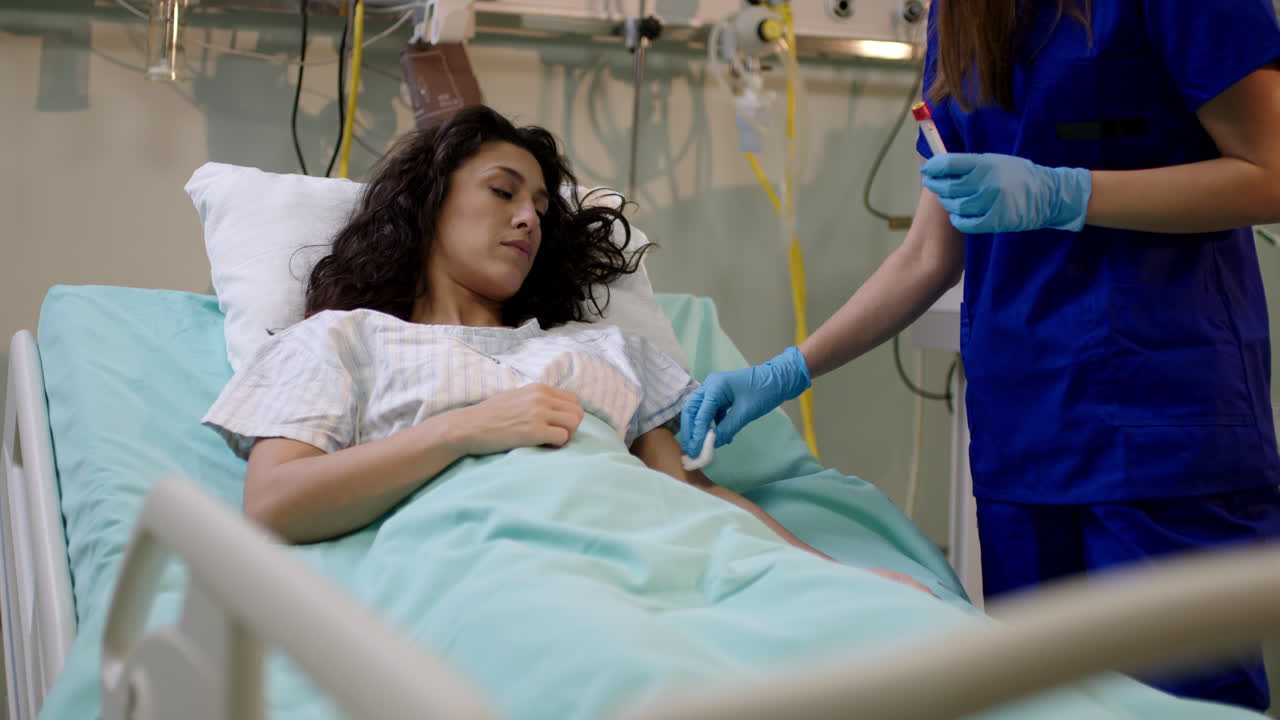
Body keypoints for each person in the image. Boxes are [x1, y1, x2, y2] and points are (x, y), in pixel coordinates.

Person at [679, 0, 1280, 710]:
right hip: (1022, 436)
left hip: (1164, 422)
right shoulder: (962, 15)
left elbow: (1269, 172)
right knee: (1041, 703)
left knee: (1181, 703)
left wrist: (1070, 192)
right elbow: (928, 255)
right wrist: (787, 371)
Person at [200, 104, 851, 566]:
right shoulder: (342, 341)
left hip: (663, 562)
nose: (528, 219)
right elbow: (274, 503)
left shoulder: (606, 350)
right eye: (502, 192)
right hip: (491, 572)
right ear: (428, 202)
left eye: (540, 206)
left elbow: (695, 498)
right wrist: (463, 430)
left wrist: (834, 577)